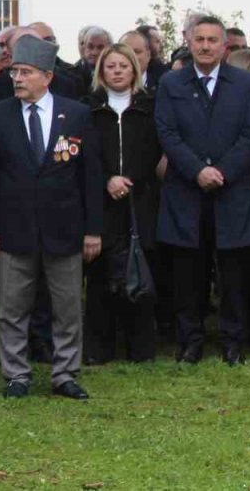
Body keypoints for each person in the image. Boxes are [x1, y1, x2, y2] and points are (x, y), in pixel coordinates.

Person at [0, 35, 103, 400]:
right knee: (13, 308)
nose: (17, 78)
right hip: (13, 230)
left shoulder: (75, 114)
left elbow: (90, 176)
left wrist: (93, 229)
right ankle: (16, 374)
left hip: (65, 229)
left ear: (46, 77)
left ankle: (65, 373)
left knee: (67, 307)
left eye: (26, 72)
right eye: (14, 71)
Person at [156, 16, 250, 365]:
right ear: (188, 41)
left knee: (234, 273)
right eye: (199, 39)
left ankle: (234, 342)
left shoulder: (245, 84)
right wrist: (197, 170)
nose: (205, 46)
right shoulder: (171, 83)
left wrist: (222, 171)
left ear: (224, 46)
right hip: (186, 192)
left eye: (212, 40)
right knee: (189, 273)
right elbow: (166, 132)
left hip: (232, 192)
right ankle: (191, 341)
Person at [84, 43, 160, 364]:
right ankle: (99, 348)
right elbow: (85, 155)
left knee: (138, 269)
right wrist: (107, 179)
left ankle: (140, 347)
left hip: (139, 198)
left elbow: (155, 148)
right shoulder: (88, 109)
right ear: (101, 71)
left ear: (135, 70)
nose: (117, 71)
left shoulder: (150, 107)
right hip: (100, 201)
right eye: (110, 66)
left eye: (123, 66)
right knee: (100, 275)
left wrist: (129, 177)